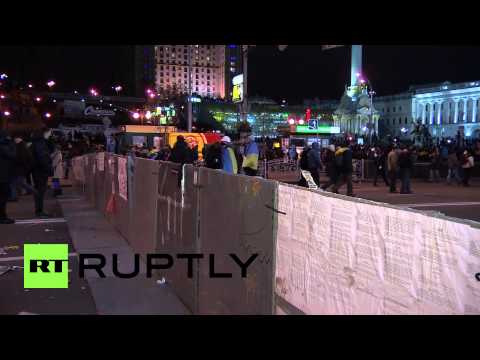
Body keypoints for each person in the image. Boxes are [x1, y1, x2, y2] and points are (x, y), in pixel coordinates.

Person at [30, 127, 54, 218]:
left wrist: (50, 139)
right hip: (40, 170)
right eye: (49, 133)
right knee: (40, 191)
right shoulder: (40, 143)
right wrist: (48, 168)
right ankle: (39, 211)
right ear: (45, 132)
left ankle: (39, 210)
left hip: (37, 170)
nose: (50, 135)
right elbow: (43, 157)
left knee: (39, 191)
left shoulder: (37, 142)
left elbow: (50, 150)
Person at [10, 136, 36, 201]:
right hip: (22, 170)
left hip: (19, 170)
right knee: (17, 183)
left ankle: (35, 191)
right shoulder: (25, 149)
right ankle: (14, 196)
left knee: (19, 183)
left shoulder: (19, 150)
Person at [0, 129, 16, 224]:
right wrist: (12, 144)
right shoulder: (3, 146)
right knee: (3, 198)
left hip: (3, 174)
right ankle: (2, 217)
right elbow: (12, 155)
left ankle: (2, 216)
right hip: (3, 175)